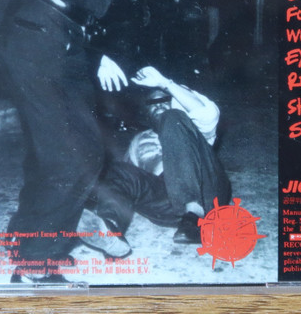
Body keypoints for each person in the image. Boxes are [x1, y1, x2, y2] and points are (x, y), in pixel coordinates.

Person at [0, 0, 210, 281]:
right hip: (41, 31)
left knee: (59, 146)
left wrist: (94, 51)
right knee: (76, 151)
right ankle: (34, 266)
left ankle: (29, 241)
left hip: (40, 27)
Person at [80, 65, 231, 257]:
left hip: (207, 194)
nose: (159, 106)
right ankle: (110, 230)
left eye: (164, 100)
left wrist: (165, 84)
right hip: (166, 205)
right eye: (153, 103)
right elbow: (123, 182)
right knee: (115, 168)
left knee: (173, 118)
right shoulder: (140, 141)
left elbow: (208, 114)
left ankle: (195, 214)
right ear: (146, 113)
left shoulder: (193, 129)